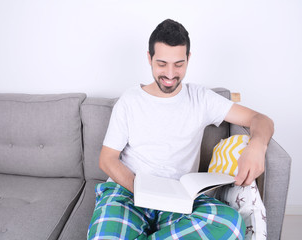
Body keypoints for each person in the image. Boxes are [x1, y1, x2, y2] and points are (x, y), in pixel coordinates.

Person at [87, 19, 274, 240]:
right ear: (149, 58)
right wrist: (144, 192)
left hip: (180, 200)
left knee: (230, 225)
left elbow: (260, 119)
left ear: (188, 59)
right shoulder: (129, 101)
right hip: (129, 192)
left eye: (179, 64)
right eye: (162, 63)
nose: (170, 74)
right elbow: (107, 159)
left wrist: (257, 146)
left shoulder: (200, 98)